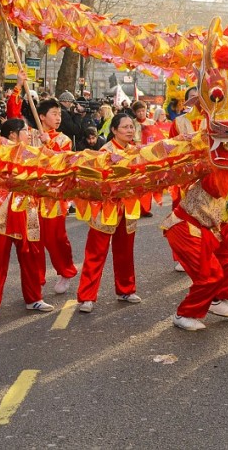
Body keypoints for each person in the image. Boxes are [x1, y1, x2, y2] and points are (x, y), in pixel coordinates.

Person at [0, 119, 54, 324]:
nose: (29, 135)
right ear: (12, 134)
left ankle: (34, 298)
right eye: (25, 131)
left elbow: (53, 164)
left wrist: (48, 145)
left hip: (27, 210)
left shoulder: (32, 152)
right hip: (2, 211)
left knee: (32, 256)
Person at [161, 169, 228, 331]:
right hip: (185, 228)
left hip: (207, 230)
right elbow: (216, 179)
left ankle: (216, 299)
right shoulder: (213, 179)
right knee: (210, 275)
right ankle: (184, 314)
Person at [77, 113, 141, 313]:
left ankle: (126, 289)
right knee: (96, 251)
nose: (130, 130)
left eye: (132, 126)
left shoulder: (136, 151)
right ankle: (87, 296)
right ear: (114, 130)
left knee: (125, 250)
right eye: (125, 127)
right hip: (106, 207)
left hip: (128, 206)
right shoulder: (105, 151)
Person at [35, 98, 79, 293]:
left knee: (56, 238)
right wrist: (18, 87)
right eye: (54, 114)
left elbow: (62, 164)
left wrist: (49, 144)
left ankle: (66, 271)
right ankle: (36, 279)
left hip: (54, 197)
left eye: (59, 114)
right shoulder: (30, 135)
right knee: (34, 240)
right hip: (33, 195)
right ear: (42, 117)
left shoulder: (64, 140)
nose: (58, 118)